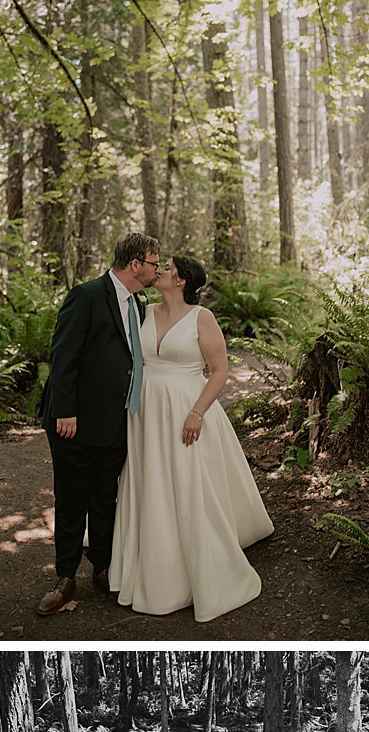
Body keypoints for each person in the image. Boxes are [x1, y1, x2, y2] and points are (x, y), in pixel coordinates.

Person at [108, 256, 273, 620]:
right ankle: (148, 561)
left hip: (186, 408)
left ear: (181, 280)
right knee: (150, 481)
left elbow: (219, 370)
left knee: (186, 482)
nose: (159, 271)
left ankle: (197, 562)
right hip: (146, 413)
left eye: (166, 268)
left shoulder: (202, 317)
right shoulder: (143, 311)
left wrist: (197, 413)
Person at [36, 232, 161, 616]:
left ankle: (103, 568)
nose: (157, 270)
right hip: (74, 421)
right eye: (154, 263)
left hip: (117, 421)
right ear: (135, 264)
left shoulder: (138, 304)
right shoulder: (86, 295)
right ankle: (65, 577)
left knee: (106, 499)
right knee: (71, 500)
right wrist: (65, 411)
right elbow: (63, 355)